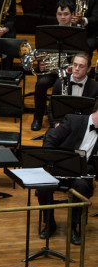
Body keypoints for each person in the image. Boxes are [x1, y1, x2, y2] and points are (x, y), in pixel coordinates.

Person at [37, 100, 98, 245]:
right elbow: (50, 141)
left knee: (82, 186)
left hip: (82, 173)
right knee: (43, 185)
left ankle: (73, 226)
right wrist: (50, 167)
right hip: (58, 168)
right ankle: (49, 223)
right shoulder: (73, 120)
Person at [31, 0, 76, 131]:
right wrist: (41, 63)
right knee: (41, 84)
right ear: (56, 15)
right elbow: (41, 53)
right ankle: (37, 117)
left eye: (66, 14)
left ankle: (60, 119)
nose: (63, 17)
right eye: (60, 14)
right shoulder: (48, 32)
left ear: (72, 14)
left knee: (64, 85)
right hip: (51, 71)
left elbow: (81, 54)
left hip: (68, 71)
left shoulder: (78, 32)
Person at [47, 53, 98, 126]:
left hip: (84, 126)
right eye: (75, 65)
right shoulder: (60, 82)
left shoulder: (95, 87)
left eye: (81, 66)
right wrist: (55, 123)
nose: (77, 68)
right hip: (63, 124)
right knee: (49, 137)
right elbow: (51, 107)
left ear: (88, 69)